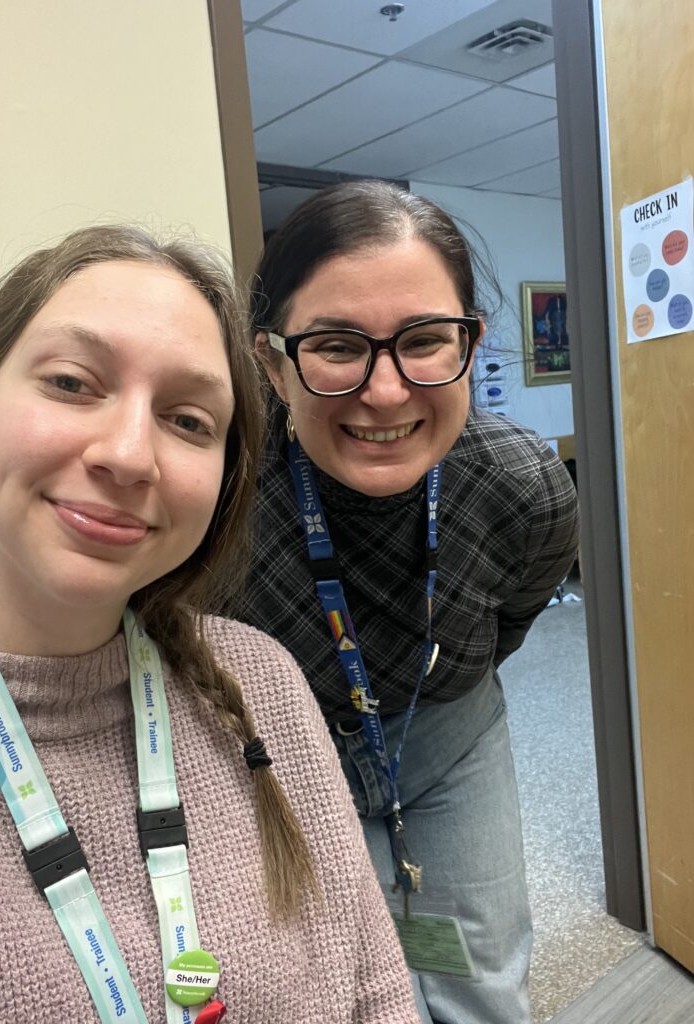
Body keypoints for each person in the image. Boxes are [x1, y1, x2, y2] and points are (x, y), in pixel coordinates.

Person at [0, 224, 421, 1024]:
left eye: (189, 421)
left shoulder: (257, 677)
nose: (128, 454)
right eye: (71, 382)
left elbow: (374, 988)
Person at [239, 181, 580, 1024]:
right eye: (336, 346)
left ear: (472, 341)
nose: (386, 392)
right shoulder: (219, 502)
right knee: (333, 986)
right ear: (273, 363)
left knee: (479, 975)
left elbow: (509, 620)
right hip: (278, 758)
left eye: (425, 340)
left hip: (450, 731)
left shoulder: (523, 485)